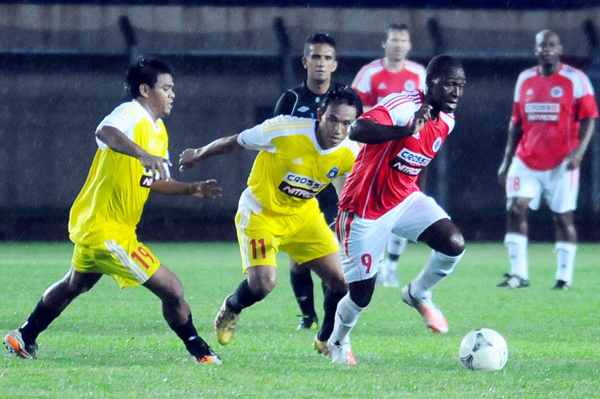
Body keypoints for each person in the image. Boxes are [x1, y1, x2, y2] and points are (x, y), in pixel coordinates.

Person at [3, 59, 223, 365]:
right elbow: (105, 131)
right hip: (108, 231)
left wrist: (189, 189)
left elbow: (154, 181)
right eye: (166, 88)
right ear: (145, 90)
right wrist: (142, 153)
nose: (172, 94)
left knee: (74, 284)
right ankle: (201, 353)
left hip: (104, 227)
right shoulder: (132, 112)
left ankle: (24, 336)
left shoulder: (158, 130)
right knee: (173, 289)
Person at [179, 87, 363, 355]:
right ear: (321, 114)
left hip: (303, 216)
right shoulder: (286, 130)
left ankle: (325, 340)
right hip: (260, 213)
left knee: (341, 282)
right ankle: (232, 306)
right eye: (333, 119)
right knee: (263, 284)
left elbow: (347, 195)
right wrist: (198, 153)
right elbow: (236, 141)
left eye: (347, 123)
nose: (338, 129)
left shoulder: (349, 151)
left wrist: (353, 227)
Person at [326, 55, 467, 365]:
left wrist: (421, 197)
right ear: (431, 84)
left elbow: (422, 158)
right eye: (449, 84)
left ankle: (418, 293)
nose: (456, 92)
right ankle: (338, 340)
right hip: (364, 208)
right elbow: (358, 129)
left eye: (460, 85)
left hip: (404, 199)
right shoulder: (403, 105)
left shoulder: (448, 120)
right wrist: (404, 130)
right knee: (362, 295)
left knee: (453, 244)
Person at [496, 30, 598, 290]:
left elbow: (589, 118)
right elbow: (515, 123)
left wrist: (579, 152)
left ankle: (563, 278)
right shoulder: (525, 79)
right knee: (515, 209)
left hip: (562, 162)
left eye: (552, 45)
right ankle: (519, 275)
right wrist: (506, 161)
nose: (547, 50)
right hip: (527, 158)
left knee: (563, 218)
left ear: (559, 49)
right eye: (543, 46)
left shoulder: (576, 80)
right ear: (536, 50)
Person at [274, 32, 346, 330]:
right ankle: (308, 315)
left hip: (330, 190)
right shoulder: (290, 100)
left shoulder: (343, 99)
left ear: (334, 64)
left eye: (327, 58)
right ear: (305, 62)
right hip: (296, 192)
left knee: (333, 261)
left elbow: (352, 147)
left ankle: (332, 321)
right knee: (298, 261)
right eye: (315, 57)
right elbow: (273, 145)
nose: (321, 63)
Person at [351, 23, 427, 288]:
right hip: (371, 152)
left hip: (404, 150)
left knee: (400, 201)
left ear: (409, 46)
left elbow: (427, 110)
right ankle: (372, 263)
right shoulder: (369, 73)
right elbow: (355, 108)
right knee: (369, 206)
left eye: (402, 40)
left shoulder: (418, 73)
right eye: (393, 40)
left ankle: (391, 266)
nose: (398, 44)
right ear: (384, 44)